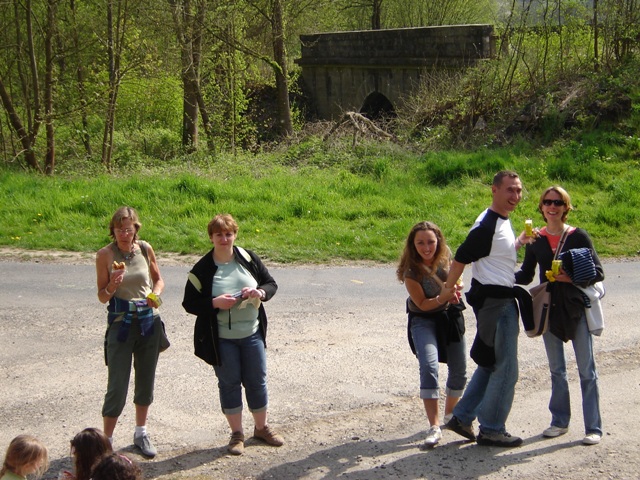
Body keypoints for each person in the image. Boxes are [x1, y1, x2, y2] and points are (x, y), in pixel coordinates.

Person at [441, 170, 529, 448]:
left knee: (490, 363)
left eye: (518, 190)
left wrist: (518, 244)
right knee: (506, 369)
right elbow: (461, 258)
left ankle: (462, 416)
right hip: (497, 303)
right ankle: (491, 428)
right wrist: (447, 291)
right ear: (494, 190)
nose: (515, 196)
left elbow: (490, 254)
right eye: (509, 190)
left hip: (497, 299)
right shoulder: (488, 224)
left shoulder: (501, 221)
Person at [182, 213, 282, 456]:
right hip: (222, 340)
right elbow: (189, 303)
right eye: (219, 235)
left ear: (235, 235)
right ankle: (237, 434)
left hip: (252, 334)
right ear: (211, 237)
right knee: (229, 384)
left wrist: (259, 292)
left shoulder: (247, 258)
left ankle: (261, 428)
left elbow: (270, 284)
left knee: (257, 381)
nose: (224, 239)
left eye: (229, 234)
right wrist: (214, 303)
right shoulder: (203, 269)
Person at [515, 186, 605, 445]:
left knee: (587, 370)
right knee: (557, 370)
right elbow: (525, 274)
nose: (552, 206)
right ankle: (559, 422)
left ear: (566, 207)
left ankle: (593, 428)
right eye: (547, 202)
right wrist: (497, 277)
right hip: (549, 307)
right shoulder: (536, 240)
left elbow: (598, 272)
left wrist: (571, 277)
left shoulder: (579, 236)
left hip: (575, 306)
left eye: (558, 202)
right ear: (541, 208)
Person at [95, 206, 165, 457]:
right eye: (119, 229)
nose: (125, 233)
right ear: (112, 231)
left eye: (129, 228)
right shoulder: (105, 255)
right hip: (120, 324)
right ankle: (106, 441)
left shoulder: (145, 249)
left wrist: (155, 295)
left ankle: (141, 433)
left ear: (136, 228)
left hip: (149, 321)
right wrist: (112, 285)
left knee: (145, 379)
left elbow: (159, 280)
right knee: (117, 384)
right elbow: (102, 297)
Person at [396, 221, 467, 447]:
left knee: (460, 369)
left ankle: (449, 416)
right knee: (429, 366)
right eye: (420, 243)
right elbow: (423, 304)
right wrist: (442, 298)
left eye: (431, 242)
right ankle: (434, 426)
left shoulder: (446, 256)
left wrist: (455, 291)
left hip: (450, 317)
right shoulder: (411, 272)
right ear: (413, 245)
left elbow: (457, 280)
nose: (427, 247)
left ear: (439, 242)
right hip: (423, 319)